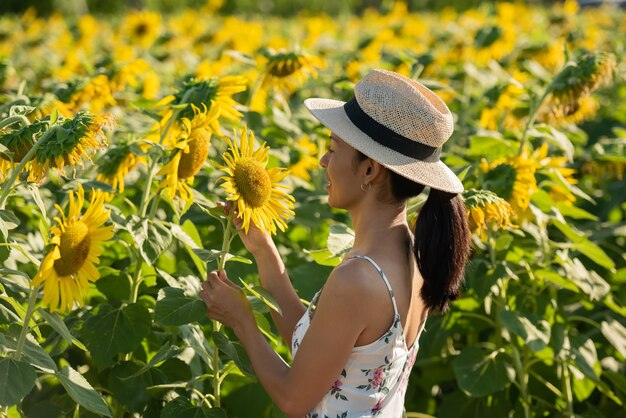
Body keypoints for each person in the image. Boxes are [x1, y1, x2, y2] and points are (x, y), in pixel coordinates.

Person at [199, 69, 471, 417]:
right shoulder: (409, 253)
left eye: (332, 149)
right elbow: (318, 350)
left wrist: (241, 321)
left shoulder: (358, 279)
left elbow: (294, 398)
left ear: (370, 170)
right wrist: (263, 251)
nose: (323, 161)